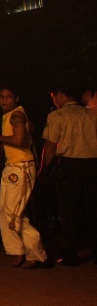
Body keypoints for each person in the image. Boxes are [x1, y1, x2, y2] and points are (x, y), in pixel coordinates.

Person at [41, 84, 97, 265]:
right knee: (93, 210)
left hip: (69, 165)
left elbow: (50, 145)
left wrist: (43, 168)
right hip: (92, 165)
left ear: (61, 95)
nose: (54, 102)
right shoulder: (92, 114)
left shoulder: (57, 116)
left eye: (54, 98)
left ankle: (70, 254)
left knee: (68, 211)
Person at [0, 86, 47, 268]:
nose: (4, 100)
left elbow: (18, 139)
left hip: (20, 168)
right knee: (4, 211)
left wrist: (0, 138)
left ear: (16, 98)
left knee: (13, 212)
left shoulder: (17, 115)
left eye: (8, 97)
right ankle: (18, 250)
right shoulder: (10, 115)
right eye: (1, 96)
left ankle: (35, 252)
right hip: (12, 167)